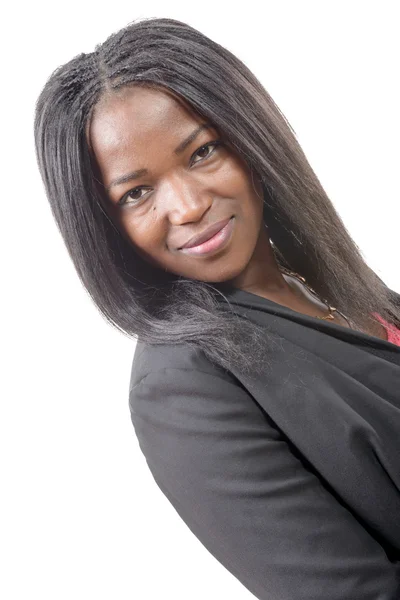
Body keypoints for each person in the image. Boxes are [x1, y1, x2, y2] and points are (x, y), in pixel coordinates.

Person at [34, 17, 400, 600]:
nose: (188, 205)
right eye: (136, 193)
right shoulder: (182, 384)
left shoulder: (329, 281)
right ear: (106, 227)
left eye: (203, 151)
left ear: (250, 139)